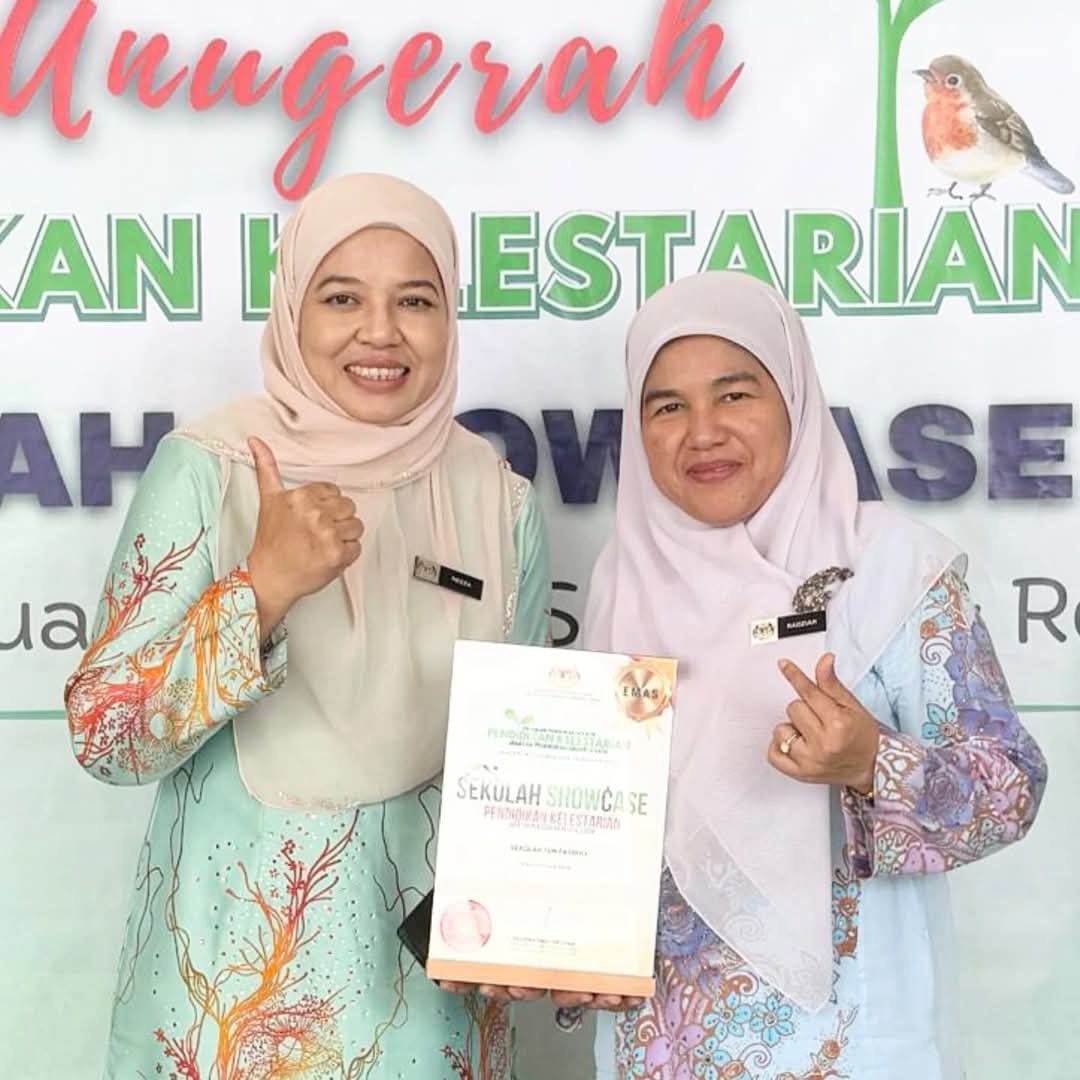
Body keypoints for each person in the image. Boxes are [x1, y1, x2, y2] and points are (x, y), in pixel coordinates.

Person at [63, 173, 551, 1078]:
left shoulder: (497, 498)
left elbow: (518, 767)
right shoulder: (208, 471)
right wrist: (262, 589)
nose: (381, 332)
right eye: (342, 298)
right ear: (292, 309)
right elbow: (106, 737)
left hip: (428, 1009)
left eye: (416, 300)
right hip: (232, 1001)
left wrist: (547, 923)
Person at [569, 271, 1047, 1078]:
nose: (703, 433)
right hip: (659, 1049)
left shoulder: (892, 568)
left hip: (851, 1045)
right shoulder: (625, 579)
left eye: (735, 394)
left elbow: (1011, 790)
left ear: (793, 398)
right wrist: (552, 938)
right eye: (667, 406)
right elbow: (589, 817)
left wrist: (871, 763)